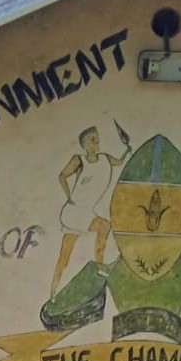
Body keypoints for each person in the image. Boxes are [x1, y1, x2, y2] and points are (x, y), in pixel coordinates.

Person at [50, 126, 126, 296]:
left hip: (87, 213)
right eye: (92, 139)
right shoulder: (79, 160)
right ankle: (53, 291)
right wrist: (69, 196)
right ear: (85, 144)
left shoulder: (105, 159)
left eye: (97, 139)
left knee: (105, 226)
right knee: (64, 258)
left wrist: (128, 150)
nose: (96, 142)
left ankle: (100, 266)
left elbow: (120, 162)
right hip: (73, 213)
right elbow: (62, 176)